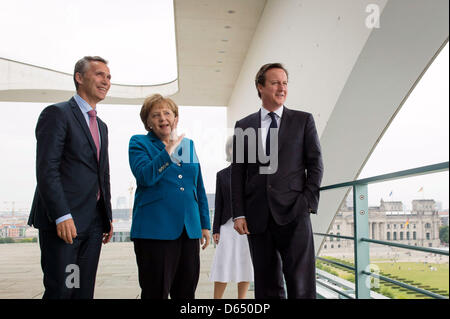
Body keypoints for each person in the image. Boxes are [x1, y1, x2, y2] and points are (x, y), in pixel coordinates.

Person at [231, 63, 324, 299]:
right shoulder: (244, 125)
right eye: (275, 83)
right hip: (257, 216)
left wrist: (308, 202)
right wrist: (239, 213)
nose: (281, 88)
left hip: (295, 213)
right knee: (266, 285)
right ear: (260, 87)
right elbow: (238, 172)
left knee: (301, 285)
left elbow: (315, 164)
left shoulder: (303, 121)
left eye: (284, 83)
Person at [28, 56, 114, 299]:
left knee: (82, 291)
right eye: (99, 74)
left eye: (108, 77)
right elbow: (47, 169)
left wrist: (106, 214)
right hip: (64, 224)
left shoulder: (102, 126)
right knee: (62, 291)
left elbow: (102, 173)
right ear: (79, 77)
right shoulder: (57, 114)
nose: (105, 81)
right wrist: (61, 215)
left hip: (93, 224)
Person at [128, 93, 211, 299]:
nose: (163, 118)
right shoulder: (138, 143)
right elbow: (145, 176)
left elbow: (197, 185)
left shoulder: (188, 144)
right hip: (155, 231)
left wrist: (204, 224)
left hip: (188, 230)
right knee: (155, 292)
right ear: (148, 122)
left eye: (167, 113)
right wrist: (168, 150)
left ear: (176, 118)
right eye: (155, 115)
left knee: (186, 292)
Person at [210, 137, 254, 299]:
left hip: (247, 226)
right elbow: (218, 203)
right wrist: (216, 229)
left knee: (245, 263)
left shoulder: (252, 174)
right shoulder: (221, 175)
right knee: (223, 263)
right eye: (233, 148)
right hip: (227, 226)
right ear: (228, 151)